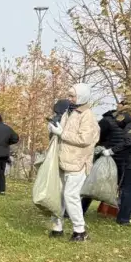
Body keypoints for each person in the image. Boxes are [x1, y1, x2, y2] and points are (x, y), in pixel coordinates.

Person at [48, 83, 100, 241]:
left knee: (71, 195)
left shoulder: (87, 115)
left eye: (73, 96)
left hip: (77, 162)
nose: (69, 98)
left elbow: (85, 139)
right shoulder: (69, 112)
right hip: (63, 159)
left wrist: (61, 133)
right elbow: (63, 131)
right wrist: (53, 129)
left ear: (82, 96)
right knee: (59, 195)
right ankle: (57, 227)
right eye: (69, 95)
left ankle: (80, 231)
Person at [81, 109, 129, 214]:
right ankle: (122, 214)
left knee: (97, 182)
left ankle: (82, 210)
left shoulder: (112, 121)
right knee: (98, 183)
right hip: (114, 157)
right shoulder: (115, 121)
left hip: (114, 157)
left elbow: (97, 136)